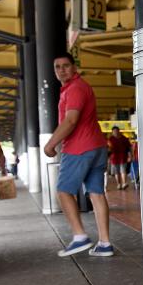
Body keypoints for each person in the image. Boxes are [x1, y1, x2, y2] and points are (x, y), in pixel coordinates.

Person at [43, 52, 114, 257]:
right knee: (96, 193)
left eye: (66, 65)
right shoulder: (78, 88)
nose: (61, 70)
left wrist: (51, 144)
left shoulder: (75, 89)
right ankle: (104, 243)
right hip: (97, 146)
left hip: (78, 148)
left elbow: (70, 121)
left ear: (75, 68)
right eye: (57, 67)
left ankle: (79, 236)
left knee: (64, 191)